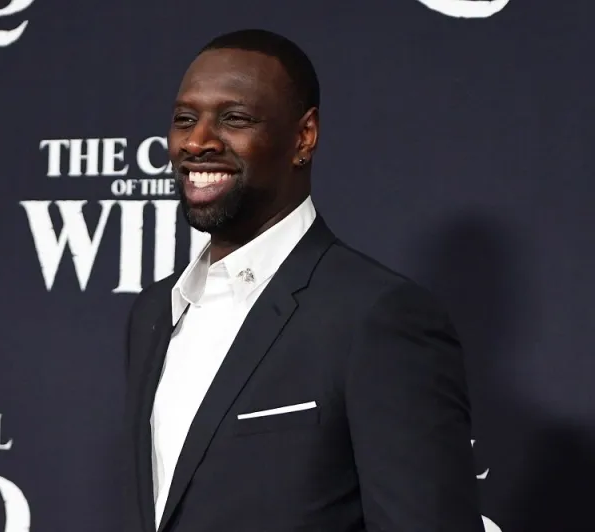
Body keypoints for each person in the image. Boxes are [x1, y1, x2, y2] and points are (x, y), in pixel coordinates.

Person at [122, 28, 484, 532]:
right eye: (186, 119)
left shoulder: (376, 317)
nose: (198, 141)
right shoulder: (153, 313)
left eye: (234, 119)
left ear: (304, 136)